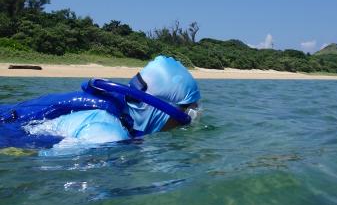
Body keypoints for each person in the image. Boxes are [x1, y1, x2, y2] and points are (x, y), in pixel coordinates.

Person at [0, 56, 201, 150]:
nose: (183, 122)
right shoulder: (107, 133)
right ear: (159, 109)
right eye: (187, 111)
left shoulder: (118, 115)